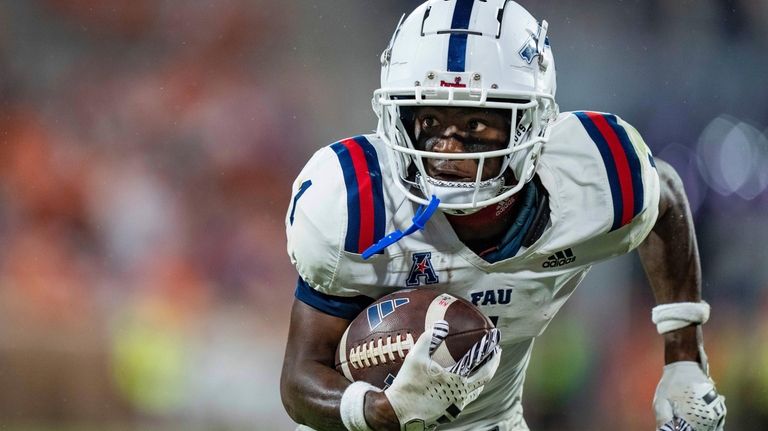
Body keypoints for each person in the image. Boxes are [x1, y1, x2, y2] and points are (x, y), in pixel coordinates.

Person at [280, 1, 726, 430]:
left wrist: (684, 352)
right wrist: (382, 410)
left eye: (474, 124)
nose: (447, 147)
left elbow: (664, 193)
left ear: (531, 123)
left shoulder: (594, 182)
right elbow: (299, 381)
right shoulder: (355, 204)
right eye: (430, 119)